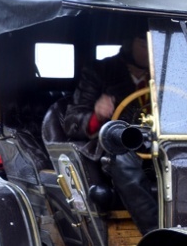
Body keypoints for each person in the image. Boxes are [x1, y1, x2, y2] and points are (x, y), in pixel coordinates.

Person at [61, 34, 158, 235]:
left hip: (160, 147)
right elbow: (72, 121)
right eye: (143, 44)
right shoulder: (100, 71)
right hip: (113, 148)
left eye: (154, 44)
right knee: (123, 158)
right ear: (129, 44)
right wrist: (97, 115)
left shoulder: (166, 71)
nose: (149, 50)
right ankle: (156, 236)